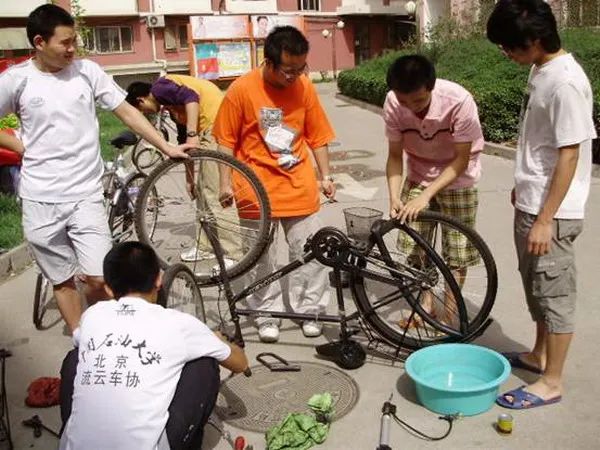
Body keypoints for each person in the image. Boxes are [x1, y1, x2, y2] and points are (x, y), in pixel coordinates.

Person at [0, 4, 191, 333]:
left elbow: (126, 112)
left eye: (74, 40)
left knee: (99, 277)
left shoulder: (87, 72)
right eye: (65, 42)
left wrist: (166, 146)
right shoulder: (16, 80)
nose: (72, 48)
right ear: (39, 42)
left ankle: (103, 333)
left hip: (85, 194)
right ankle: (82, 340)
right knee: (62, 279)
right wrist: (19, 147)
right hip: (40, 198)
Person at [487, 0, 596, 409]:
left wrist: (546, 218)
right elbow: (541, 143)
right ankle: (538, 354)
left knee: (555, 295)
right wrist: (525, 186)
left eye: (508, 46)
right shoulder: (540, 69)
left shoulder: (565, 82)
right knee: (536, 287)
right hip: (534, 202)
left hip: (553, 214)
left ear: (533, 40)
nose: (505, 53)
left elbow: (569, 154)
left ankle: (552, 382)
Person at [59, 241, 248, 449]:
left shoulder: (92, 315)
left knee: (75, 358)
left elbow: (81, 343)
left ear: (108, 289)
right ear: (159, 279)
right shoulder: (179, 323)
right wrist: (216, 339)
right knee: (205, 364)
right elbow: (240, 363)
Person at [212, 26, 336, 343]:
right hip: (254, 190)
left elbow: (318, 135)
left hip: (298, 186)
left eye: (301, 68)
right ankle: (266, 313)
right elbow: (225, 140)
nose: (295, 76)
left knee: (310, 253)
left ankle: (310, 310)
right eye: (288, 70)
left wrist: (326, 176)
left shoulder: (304, 87)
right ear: (268, 62)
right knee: (260, 260)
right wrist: (225, 183)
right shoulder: (242, 89)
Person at [383, 54, 484, 325]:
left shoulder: (458, 101)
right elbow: (395, 155)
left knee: (457, 253)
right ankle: (425, 307)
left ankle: (448, 319)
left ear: (431, 86)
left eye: (418, 101)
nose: (410, 108)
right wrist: (394, 196)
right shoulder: (393, 101)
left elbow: (461, 159)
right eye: (404, 101)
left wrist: (427, 196)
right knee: (416, 248)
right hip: (418, 174)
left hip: (459, 177)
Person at [126, 76, 240, 264]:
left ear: (141, 100)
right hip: (210, 127)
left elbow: (191, 97)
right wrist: (189, 180)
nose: (148, 115)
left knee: (214, 193)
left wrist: (192, 133)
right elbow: (185, 147)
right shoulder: (172, 106)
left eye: (143, 111)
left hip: (216, 125)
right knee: (202, 191)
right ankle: (206, 247)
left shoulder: (160, 88)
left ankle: (234, 254)